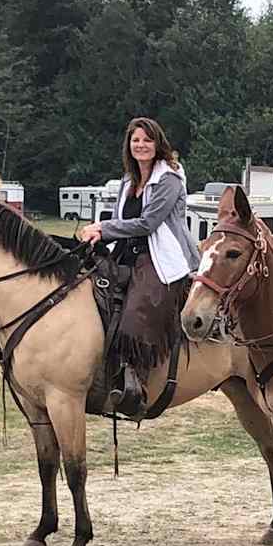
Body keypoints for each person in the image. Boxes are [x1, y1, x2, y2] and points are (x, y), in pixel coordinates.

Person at [78, 118, 198, 417]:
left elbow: (148, 224)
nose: (141, 145)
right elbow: (125, 220)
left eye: (147, 140)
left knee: (136, 309)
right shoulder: (128, 181)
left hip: (162, 256)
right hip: (127, 251)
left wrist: (103, 228)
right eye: (136, 140)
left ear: (158, 144)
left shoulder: (169, 178)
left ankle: (135, 380)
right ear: (128, 146)